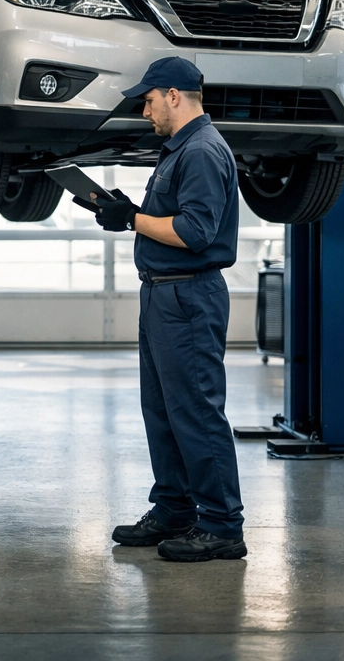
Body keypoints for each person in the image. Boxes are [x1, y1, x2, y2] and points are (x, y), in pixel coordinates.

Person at [88, 56, 247, 562]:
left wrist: (132, 218)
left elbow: (196, 232)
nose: (145, 110)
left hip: (188, 297)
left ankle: (222, 526)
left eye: (149, 100)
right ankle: (176, 508)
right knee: (162, 411)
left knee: (196, 412)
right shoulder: (180, 149)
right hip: (162, 292)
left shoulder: (200, 150)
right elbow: (174, 216)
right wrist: (129, 213)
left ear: (174, 95)